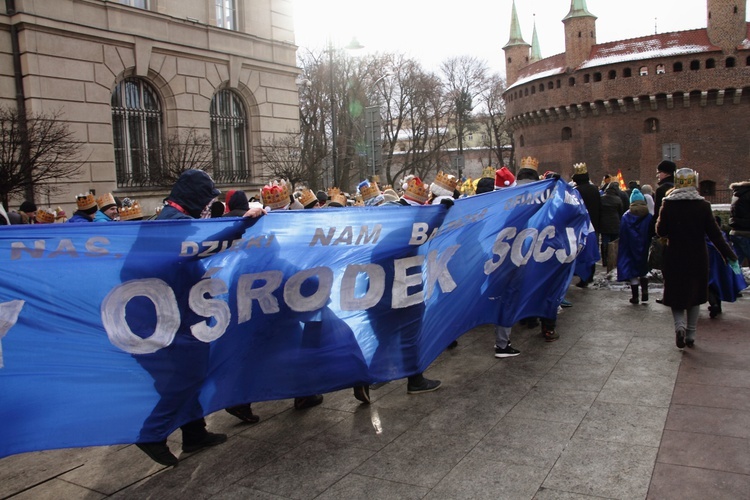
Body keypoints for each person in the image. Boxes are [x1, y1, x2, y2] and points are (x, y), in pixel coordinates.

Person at [134, 169, 265, 466]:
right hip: (166, 317)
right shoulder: (174, 224)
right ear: (193, 197)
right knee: (185, 376)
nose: (208, 207)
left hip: (171, 312)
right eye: (206, 200)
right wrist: (243, 224)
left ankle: (195, 433)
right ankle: (152, 433)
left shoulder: (170, 219)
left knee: (185, 373)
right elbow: (202, 249)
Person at [656, 168, 738, 349]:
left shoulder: (668, 204)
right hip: (697, 256)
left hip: (675, 255)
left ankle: (679, 327)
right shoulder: (703, 205)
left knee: (675, 294)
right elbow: (715, 235)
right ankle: (691, 334)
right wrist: (729, 256)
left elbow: (661, 231)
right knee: (695, 294)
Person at [616, 189, 652, 304]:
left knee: (632, 272)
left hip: (630, 247)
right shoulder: (648, 216)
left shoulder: (626, 216)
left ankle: (635, 296)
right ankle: (645, 291)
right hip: (644, 246)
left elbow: (622, 232)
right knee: (643, 269)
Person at [571, 162, 601, 287]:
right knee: (592, 250)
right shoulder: (594, 189)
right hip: (595, 223)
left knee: (581, 250)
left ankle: (583, 277)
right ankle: (590, 276)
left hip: (581, 225)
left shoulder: (576, 191)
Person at [599, 181, 624, 269]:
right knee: (614, 242)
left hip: (604, 223)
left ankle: (605, 260)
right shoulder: (618, 199)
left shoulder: (601, 198)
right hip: (615, 222)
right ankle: (613, 260)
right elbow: (621, 212)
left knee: (604, 241)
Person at [650, 160, 676, 235]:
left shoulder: (661, 189)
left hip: (665, 229)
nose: (657, 175)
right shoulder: (678, 187)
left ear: (666, 173)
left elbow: (658, 212)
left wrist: (653, 230)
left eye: (659, 172)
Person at [728, 179, 750, 267]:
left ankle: (730, 279)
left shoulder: (738, 193)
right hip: (746, 233)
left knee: (735, 264)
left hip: (736, 232)